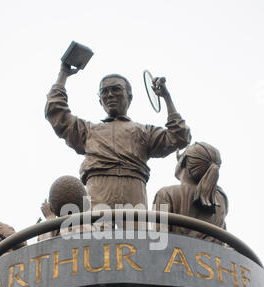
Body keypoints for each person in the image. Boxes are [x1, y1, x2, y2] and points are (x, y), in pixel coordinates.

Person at [45, 63, 191, 210]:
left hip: (134, 194)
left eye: (116, 89)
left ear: (130, 97)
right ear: (99, 100)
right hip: (98, 195)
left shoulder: (145, 132)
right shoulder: (88, 131)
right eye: (104, 91)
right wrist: (63, 73)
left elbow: (179, 136)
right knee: (95, 232)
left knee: (135, 233)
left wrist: (166, 97)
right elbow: (57, 113)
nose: (110, 95)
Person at [153, 142, 228, 242]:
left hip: (176, 256)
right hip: (212, 256)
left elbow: (158, 240)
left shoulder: (166, 194)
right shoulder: (221, 199)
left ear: (184, 161)